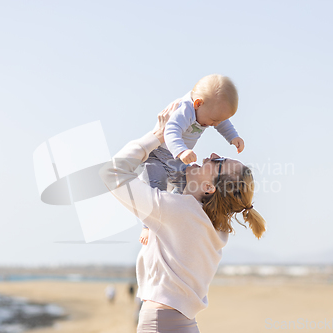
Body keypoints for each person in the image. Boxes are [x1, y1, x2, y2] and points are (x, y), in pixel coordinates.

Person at [99, 104, 266, 332]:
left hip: (160, 322)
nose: (213, 155)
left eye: (218, 162)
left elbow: (111, 173)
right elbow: (177, 184)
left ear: (209, 187)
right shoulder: (214, 226)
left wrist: (157, 136)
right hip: (183, 323)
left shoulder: (176, 210)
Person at [139, 74, 245, 245]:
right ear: (198, 104)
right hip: (159, 157)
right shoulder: (185, 110)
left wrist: (233, 137)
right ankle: (147, 225)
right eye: (212, 120)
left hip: (177, 160)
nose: (213, 124)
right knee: (155, 187)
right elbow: (171, 131)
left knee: (183, 186)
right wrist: (181, 151)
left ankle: (170, 211)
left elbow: (222, 123)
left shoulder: (208, 109)